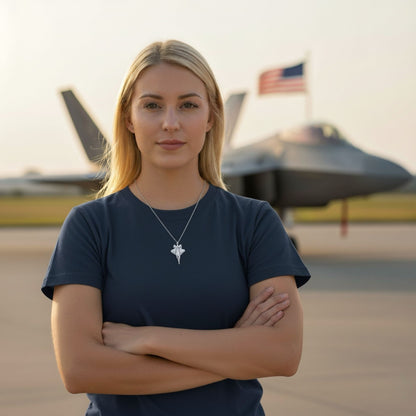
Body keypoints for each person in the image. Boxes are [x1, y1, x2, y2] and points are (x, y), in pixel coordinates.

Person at [41, 39, 310, 416]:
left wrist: (149, 339)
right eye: (152, 105)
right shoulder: (89, 226)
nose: (171, 123)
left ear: (211, 117)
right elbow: (80, 369)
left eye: (188, 105)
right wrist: (236, 350)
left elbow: (282, 354)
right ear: (129, 119)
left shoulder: (254, 222)